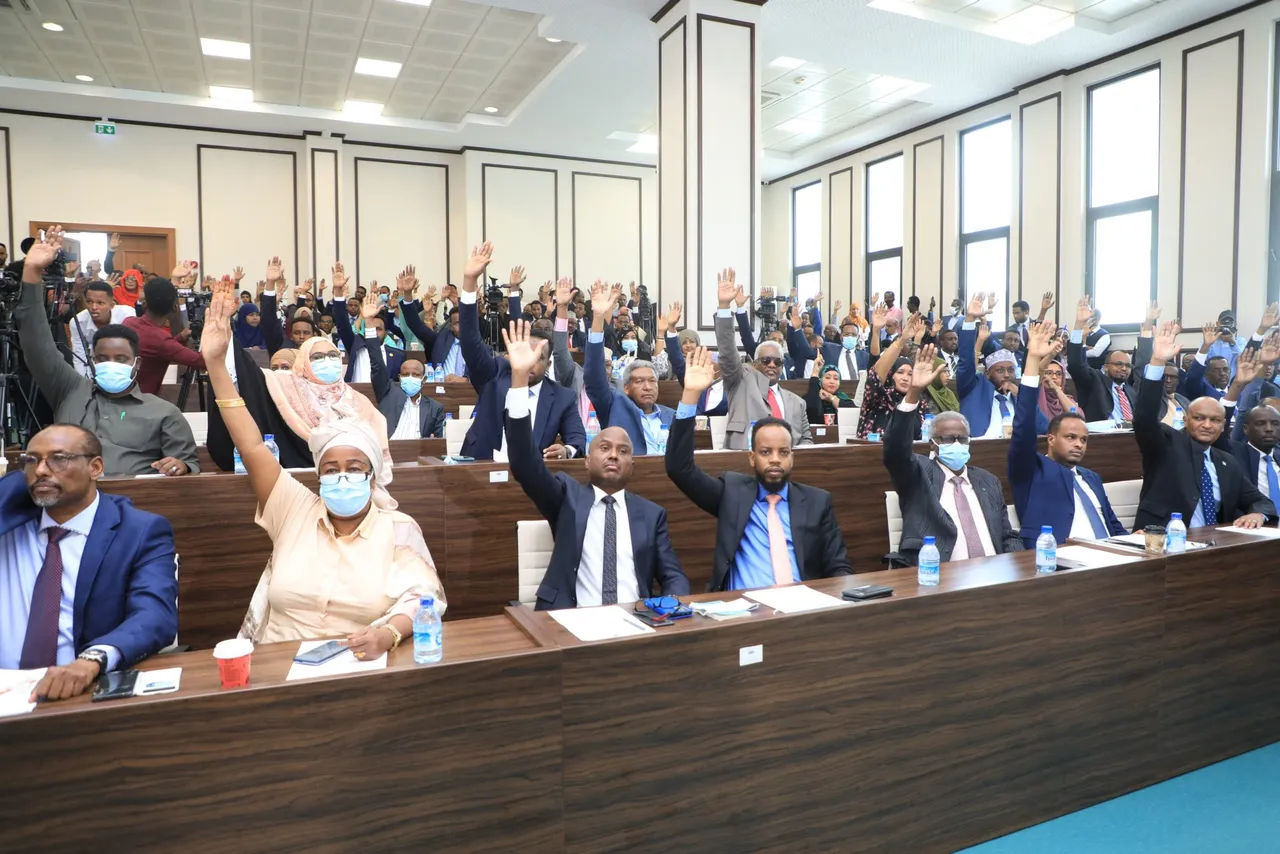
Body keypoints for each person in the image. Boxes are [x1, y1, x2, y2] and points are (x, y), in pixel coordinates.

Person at [197, 276, 443, 651]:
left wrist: (389, 632)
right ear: (318, 475)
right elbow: (249, 444)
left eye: (354, 468)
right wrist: (216, 362)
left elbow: (421, 596)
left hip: (359, 664)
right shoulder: (294, 508)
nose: (342, 477)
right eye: (330, 470)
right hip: (276, 664)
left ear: (373, 476)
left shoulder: (398, 529)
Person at [501, 321, 688, 609]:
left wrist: (671, 602)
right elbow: (525, 464)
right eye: (604, 448)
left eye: (623, 451)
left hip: (634, 622)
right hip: (571, 624)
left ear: (632, 465)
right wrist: (518, 379)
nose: (614, 455)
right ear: (587, 461)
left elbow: (673, 576)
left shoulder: (652, 515)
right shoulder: (567, 498)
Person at [0, 424, 179, 701]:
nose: (41, 470)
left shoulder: (139, 531)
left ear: (95, 467)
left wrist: (91, 661)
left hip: (81, 690)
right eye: (32, 460)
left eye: (59, 459)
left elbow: (154, 616)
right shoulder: (8, 519)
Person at [17, 228, 199, 477]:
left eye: (121, 359)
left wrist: (181, 467)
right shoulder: (70, 390)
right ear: (93, 360)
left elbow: (188, 465)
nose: (111, 364)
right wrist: (31, 273)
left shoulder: (163, 413)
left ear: (136, 363)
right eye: (103, 358)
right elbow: (38, 345)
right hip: (64, 500)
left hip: (130, 505)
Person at [667, 347, 852, 589]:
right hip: (745, 614)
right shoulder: (732, 494)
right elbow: (679, 468)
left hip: (802, 610)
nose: (775, 459)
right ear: (752, 458)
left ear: (792, 457)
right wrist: (690, 396)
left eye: (783, 452)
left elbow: (839, 566)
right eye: (766, 452)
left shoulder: (817, 502)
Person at [884, 344, 1023, 565]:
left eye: (962, 438)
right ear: (932, 445)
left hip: (995, 577)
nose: (957, 443)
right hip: (938, 579)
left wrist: (1018, 567)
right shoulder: (920, 475)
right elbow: (895, 450)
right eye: (948, 439)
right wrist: (913, 393)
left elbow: (1006, 535)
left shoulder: (988, 481)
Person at [1133, 322, 1275, 530]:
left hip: (1216, 546)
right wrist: (1157, 361)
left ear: (1222, 426)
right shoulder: (1165, 444)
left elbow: (1260, 501)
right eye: (1199, 418)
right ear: (1185, 420)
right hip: (1163, 545)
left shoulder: (1226, 462)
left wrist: (1257, 514)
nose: (1207, 425)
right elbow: (1144, 417)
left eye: (1215, 421)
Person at [457, 243, 586, 461]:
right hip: (479, 472)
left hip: (528, 479)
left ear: (548, 365)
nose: (529, 362)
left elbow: (577, 439)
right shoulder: (494, 374)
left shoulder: (562, 397)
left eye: (538, 358)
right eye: (525, 353)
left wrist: (567, 450)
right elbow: (470, 341)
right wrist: (469, 283)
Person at [1009, 323, 1126, 544]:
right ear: (1051, 439)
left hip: (1112, 559)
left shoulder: (1091, 477)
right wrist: (1033, 361)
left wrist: (1135, 542)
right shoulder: (1031, 470)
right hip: (1059, 563)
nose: (1079, 444)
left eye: (1083, 439)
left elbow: (1114, 525)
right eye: (1070, 438)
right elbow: (1023, 427)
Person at [715, 269, 812, 449]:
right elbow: (728, 351)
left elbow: (806, 440)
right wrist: (724, 307)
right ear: (754, 363)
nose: (772, 365)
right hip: (744, 462)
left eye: (778, 362)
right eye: (766, 360)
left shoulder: (797, 403)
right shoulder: (740, 381)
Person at [584, 281, 674, 454]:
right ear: (626, 388)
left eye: (652, 381)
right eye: (639, 381)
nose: (647, 387)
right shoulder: (614, 406)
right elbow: (595, 379)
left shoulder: (672, 415)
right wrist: (597, 320)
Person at [957, 293, 1048, 438]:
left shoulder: (1019, 396)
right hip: (981, 453)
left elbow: (1045, 428)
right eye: (1000, 370)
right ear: (987, 373)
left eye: (1011, 370)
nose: (1006, 374)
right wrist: (969, 320)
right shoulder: (974, 388)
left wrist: (1022, 397)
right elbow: (965, 362)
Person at [361, 289, 445, 441]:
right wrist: (368, 322)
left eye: (416, 375)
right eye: (405, 375)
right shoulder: (387, 392)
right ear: (399, 377)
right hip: (391, 453)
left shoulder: (435, 408)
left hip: (418, 457)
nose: (410, 378)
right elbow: (377, 363)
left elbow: (436, 442)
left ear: (424, 380)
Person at [121, 276, 206, 395]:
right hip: (141, 402)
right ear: (175, 308)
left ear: (145, 303)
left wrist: (180, 337)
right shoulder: (161, 340)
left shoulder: (128, 322)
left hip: (122, 395)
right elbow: (202, 361)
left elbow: (155, 348)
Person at [858, 306, 923, 439]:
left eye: (910, 374)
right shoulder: (879, 397)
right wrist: (902, 339)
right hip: (874, 455)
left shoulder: (917, 401)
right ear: (890, 375)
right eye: (900, 372)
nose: (905, 378)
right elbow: (875, 373)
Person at [68, 281, 133, 379]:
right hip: (95, 368)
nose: (93, 307)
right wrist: (85, 384)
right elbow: (79, 357)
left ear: (112, 305)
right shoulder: (77, 322)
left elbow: (133, 351)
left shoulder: (127, 315)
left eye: (100, 303)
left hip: (122, 368)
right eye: (89, 302)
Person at [1231, 403, 1280, 503]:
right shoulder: (1234, 453)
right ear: (1246, 428)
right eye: (1261, 423)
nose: (1269, 429)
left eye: (1275, 423)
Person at [804, 356, 854, 425]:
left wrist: (831, 398)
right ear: (820, 380)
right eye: (828, 377)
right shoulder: (812, 397)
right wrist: (815, 373)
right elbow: (812, 412)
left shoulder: (843, 398)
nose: (832, 381)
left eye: (836, 378)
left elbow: (853, 413)